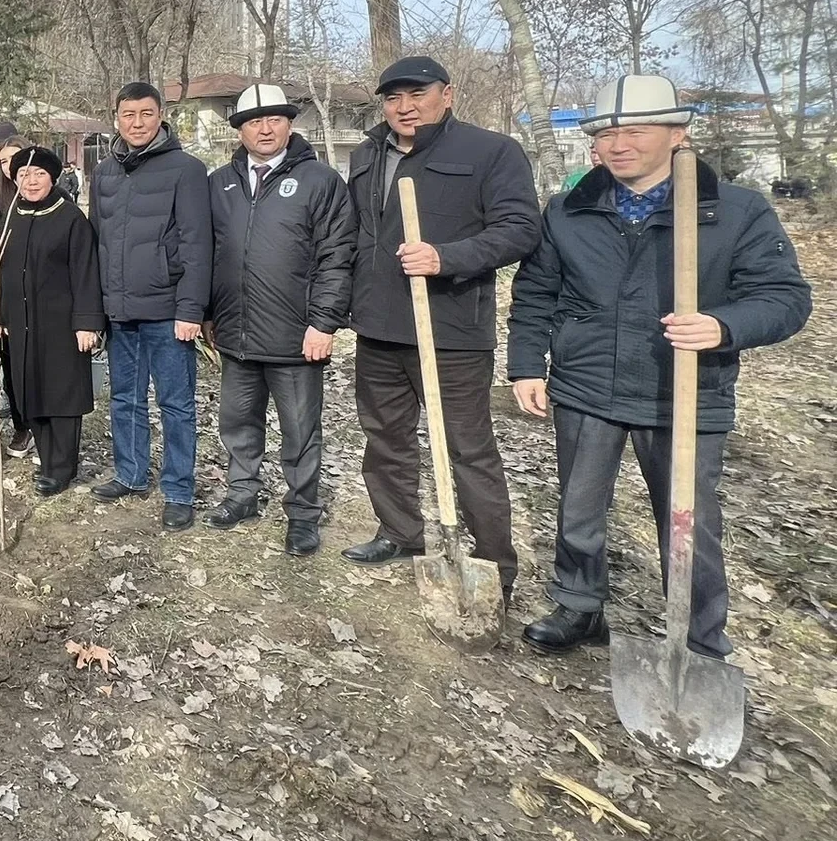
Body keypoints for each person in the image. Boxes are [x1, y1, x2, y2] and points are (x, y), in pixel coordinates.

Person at [507, 76, 812, 656]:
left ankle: (698, 640)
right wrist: (525, 364)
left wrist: (723, 326)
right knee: (578, 509)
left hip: (684, 390)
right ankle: (579, 606)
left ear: (677, 134)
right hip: (587, 383)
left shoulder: (735, 211)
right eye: (606, 134)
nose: (619, 145)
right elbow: (536, 292)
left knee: (688, 522)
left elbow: (785, 299)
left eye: (637, 131)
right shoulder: (568, 210)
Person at [340, 56, 540, 599]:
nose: (404, 107)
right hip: (379, 326)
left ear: (446, 95)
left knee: (467, 449)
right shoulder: (366, 154)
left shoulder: (490, 152)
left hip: (451, 329)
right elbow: (357, 235)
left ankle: (493, 563)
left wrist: (446, 257)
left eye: (417, 94)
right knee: (386, 439)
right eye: (393, 97)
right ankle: (399, 532)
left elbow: (521, 229)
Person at [203, 85, 356, 558]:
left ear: (290, 124)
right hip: (236, 332)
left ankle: (303, 513)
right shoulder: (220, 183)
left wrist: (324, 322)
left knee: (300, 430)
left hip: (295, 336)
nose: (264, 129)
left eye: (274, 120)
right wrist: (208, 312)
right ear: (240, 130)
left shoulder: (319, 181)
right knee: (237, 422)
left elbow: (337, 256)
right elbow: (208, 252)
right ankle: (242, 494)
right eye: (254, 122)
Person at [88, 81, 212, 531]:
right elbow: (96, 243)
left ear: (160, 115)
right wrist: (97, 309)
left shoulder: (187, 169)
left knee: (176, 404)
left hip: (167, 310)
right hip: (120, 311)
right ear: (116, 118)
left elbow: (197, 243)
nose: (137, 123)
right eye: (128, 114)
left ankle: (178, 490)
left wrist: (191, 309)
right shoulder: (105, 173)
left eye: (145, 113)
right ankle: (131, 472)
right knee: (125, 398)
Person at [0, 147, 105, 494]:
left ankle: (62, 467)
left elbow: (86, 272)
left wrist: (87, 322)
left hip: (61, 323)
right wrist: (0, 315)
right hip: (22, 321)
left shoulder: (70, 218)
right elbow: (0, 271)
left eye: (39, 174)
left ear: (53, 177)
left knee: (61, 394)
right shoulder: (11, 217)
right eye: (23, 175)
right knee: (31, 388)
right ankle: (47, 460)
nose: (31, 181)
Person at [0, 123, 32, 456]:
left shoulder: (50, 195)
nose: (10, 167)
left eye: (16, 159)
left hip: (43, 297)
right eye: (3, 161)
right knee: (12, 366)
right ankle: (21, 424)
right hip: (8, 297)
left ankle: (44, 424)